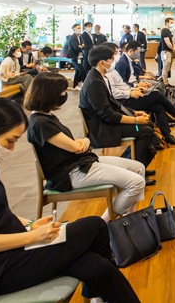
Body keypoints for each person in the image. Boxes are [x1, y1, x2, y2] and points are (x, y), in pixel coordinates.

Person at [0, 98, 142, 302]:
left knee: (98, 266)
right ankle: (96, 294)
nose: (11, 149)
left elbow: (1, 213)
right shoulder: (42, 123)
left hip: (18, 247)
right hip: (4, 266)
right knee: (96, 227)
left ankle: (96, 296)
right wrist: (32, 237)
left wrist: (30, 224)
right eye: (9, 141)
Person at [25, 72, 145, 221]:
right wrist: (83, 142)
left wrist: (82, 142)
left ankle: (131, 218)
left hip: (82, 162)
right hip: (71, 173)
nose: (64, 94)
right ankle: (105, 222)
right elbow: (75, 147)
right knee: (136, 182)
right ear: (50, 94)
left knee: (138, 168)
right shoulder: (40, 124)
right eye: (61, 91)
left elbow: (74, 143)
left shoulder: (46, 117)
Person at [78, 45, 157, 184]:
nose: (113, 61)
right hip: (103, 129)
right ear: (102, 62)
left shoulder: (99, 77)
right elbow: (107, 114)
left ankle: (139, 168)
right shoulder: (94, 83)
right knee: (145, 131)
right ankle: (137, 173)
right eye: (111, 59)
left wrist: (133, 113)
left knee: (148, 125)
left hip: (107, 123)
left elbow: (113, 103)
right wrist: (135, 121)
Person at [106, 43, 175, 146]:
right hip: (124, 101)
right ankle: (174, 111)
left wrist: (135, 87)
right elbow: (113, 92)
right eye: (115, 53)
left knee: (158, 107)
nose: (117, 55)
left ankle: (168, 136)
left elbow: (122, 83)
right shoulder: (115, 67)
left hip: (129, 93)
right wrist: (130, 92)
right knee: (157, 94)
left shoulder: (113, 69)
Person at [67, 24, 86, 90]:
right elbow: (76, 47)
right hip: (74, 57)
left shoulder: (80, 37)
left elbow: (84, 45)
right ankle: (79, 82)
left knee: (77, 71)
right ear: (74, 29)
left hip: (80, 56)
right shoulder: (72, 37)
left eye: (80, 28)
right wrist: (81, 46)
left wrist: (81, 46)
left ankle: (75, 85)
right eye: (78, 28)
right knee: (82, 70)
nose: (79, 29)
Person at [159, 17, 175, 85]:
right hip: (166, 52)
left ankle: (166, 82)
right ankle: (165, 83)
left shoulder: (169, 31)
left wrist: (174, 47)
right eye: (171, 22)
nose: (172, 24)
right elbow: (168, 42)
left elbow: (172, 40)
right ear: (166, 23)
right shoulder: (164, 31)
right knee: (165, 68)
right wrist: (172, 48)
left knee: (167, 68)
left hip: (169, 51)